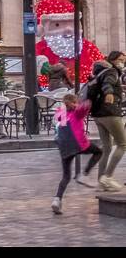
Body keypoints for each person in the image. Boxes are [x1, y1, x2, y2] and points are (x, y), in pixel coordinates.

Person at [51, 92, 102, 213]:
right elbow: (85, 107)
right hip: (78, 143)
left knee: (66, 176)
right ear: (74, 103)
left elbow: (58, 116)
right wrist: (90, 98)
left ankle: (57, 200)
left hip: (64, 147)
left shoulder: (62, 113)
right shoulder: (77, 112)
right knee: (99, 152)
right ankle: (84, 175)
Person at [87, 50, 126, 191]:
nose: (122, 63)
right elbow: (107, 84)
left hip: (98, 114)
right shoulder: (111, 71)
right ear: (113, 59)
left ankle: (100, 182)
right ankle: (107, 177)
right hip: (110, 112)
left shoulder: (100, 72)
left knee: (107, 147)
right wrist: (109, 93)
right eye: (121, 60)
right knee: (123, 144)